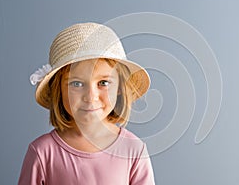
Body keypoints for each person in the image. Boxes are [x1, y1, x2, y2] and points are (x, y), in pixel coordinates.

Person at [18, 22, 155, 184]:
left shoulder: (133, 150)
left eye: (103, 83)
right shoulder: (42, 153)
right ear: (58, 90)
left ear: (119, 87)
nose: (90, 96)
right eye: (76, 84)